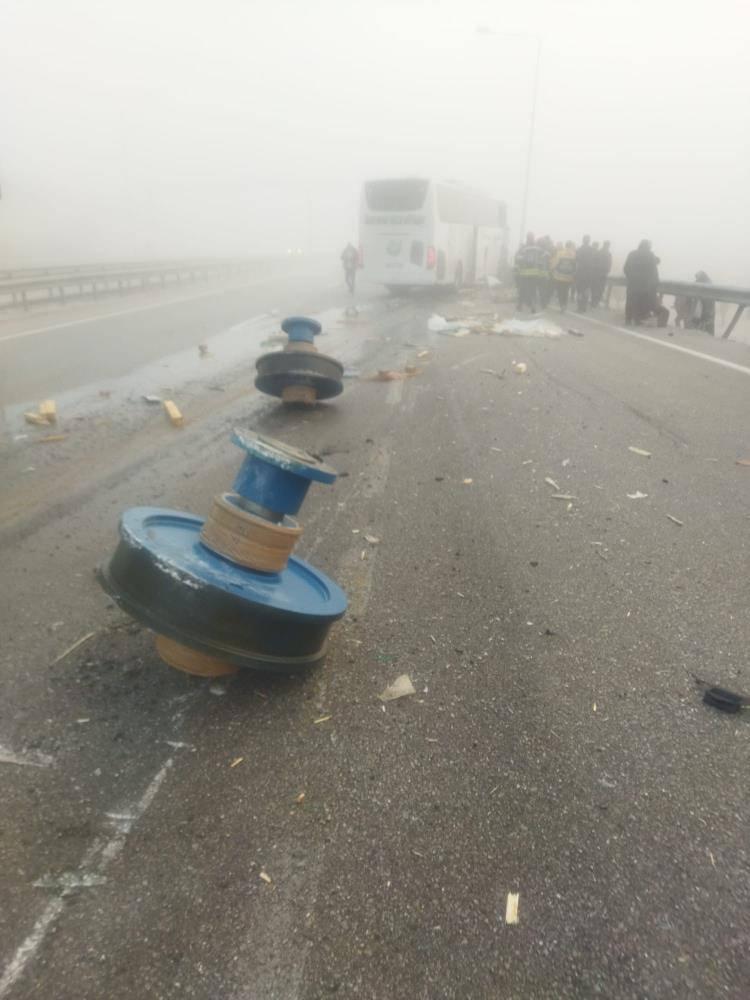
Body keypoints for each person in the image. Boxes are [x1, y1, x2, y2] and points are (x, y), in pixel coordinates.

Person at [623, 239, 668, 327]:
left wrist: (631, 277)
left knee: (630, 300)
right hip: (643, 285)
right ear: (648, 246)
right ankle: (637, 319)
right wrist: (653, 283)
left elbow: (626, 268)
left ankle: (628, 319)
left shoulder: (632, 254)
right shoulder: (650, 255)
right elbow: (653, 271)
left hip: (632, 283)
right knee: (640, 302)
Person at [513, 233, 541, 313]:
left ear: (527, 238)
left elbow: (518, 258)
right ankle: (533, 306)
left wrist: (517, 269)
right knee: (533, 290)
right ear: (533, 238)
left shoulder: (523, 248)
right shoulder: (537, 248)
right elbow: (540, 260)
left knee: (522, 290)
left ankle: (520, 305)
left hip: (524, 273)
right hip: (534, 273)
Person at [550, 241, 576, 311]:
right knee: (566, 291)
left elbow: (555, 263)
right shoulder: (574, 254)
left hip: (559, 276)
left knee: (560, 291)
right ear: (571, 246)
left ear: (565, 245)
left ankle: (561, 305)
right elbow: (575, 265)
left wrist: (551, 269)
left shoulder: (560, 253)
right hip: (569, 277)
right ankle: (564, 304)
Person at [691, 271, 715, 335]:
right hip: (704, 304)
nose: (696, 278)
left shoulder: (707, 283)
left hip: (706, 305)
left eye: (697, 277)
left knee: (705, 319)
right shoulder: (703, 281)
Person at [575, 235, 595, 312]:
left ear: (583, 240)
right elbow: (594, 262)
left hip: (580, 273)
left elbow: (576, 259)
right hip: (589, 274)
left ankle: (579, 307)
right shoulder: (592, 250)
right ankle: (584, 307)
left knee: (579, 291)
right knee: (586, 291)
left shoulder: (580, 249)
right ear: (589, 241)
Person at [591, 240, 612, 307]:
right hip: (603, 274)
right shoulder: (608, 254)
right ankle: (596, 302)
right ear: (607, 245)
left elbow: (593, 262)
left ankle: (593, 301)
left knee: (595, 288)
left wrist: (595, 269)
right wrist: (607, 271)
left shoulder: (598, 252)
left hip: (596, 273)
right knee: (601, 288)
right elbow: (609, 264)